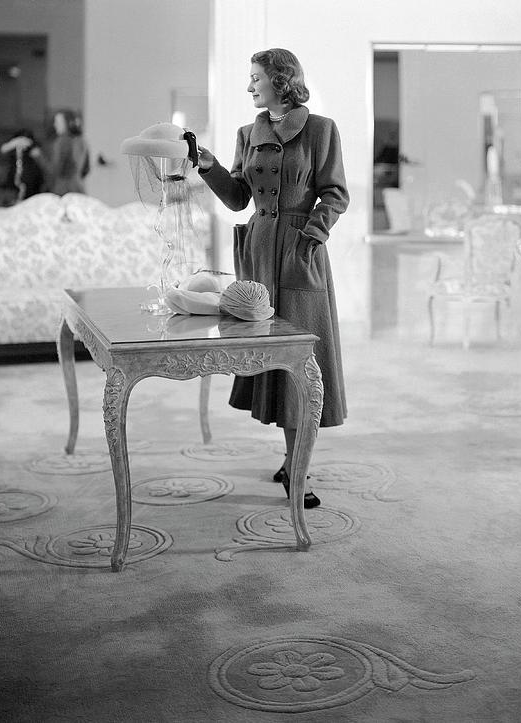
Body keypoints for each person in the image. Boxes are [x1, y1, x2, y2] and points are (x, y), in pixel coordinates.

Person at [196, 48, 349, 509]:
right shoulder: (248, 133)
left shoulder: (321, 129)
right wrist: (209, 166)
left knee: (305, 358)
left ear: (280, 80)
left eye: (255, 78)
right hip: (261, 253)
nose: (249, 87)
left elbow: (336, 194)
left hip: (300, 257)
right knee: (273, 358)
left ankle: (297, 469)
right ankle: (291, 461)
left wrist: (310, 237)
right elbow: (238, 198)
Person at [31, 109, 90, 195]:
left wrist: (39, 156)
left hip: (62, 190)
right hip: (78, 189)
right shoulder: (82, 141)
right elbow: (86, 169)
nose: (55, 125)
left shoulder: (61, 141)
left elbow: (54, 170)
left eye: (58, 122)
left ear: (67, 123)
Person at [0, 130, 44, 202]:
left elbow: (38, 154)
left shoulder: (32, 147)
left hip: (29, 179)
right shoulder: (14, 147)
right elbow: (3, 149)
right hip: (15, 178)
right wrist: (15, 143)